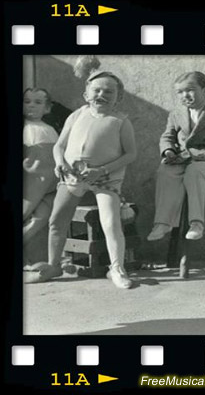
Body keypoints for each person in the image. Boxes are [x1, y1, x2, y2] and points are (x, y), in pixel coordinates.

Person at [27, 70, 137, 289]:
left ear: (119, 97)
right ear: (86, 94)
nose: (101, 94)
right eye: (96, 90)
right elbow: (60, 145)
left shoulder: (120, 121)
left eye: (109, 91)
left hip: (105, 179)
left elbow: (130, 154)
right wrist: (59, 162)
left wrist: (103, 170)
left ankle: (116, 268)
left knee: (110, 222)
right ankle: (54, 265)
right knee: (56, 221)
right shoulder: (77, 115)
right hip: (72, 176)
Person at [147, 71, 205, 242]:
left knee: (194, 172)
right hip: (184, 157)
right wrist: (168, 150)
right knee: (165, 171)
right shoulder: (176, 114)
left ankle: (197, 223)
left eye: (190, 90)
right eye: (180, 92)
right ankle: (163, 222)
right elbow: (167, 136)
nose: (185, 95)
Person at [23, 88, 59, 249]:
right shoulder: (25, 128)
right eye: (27, 102)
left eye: (38, 102)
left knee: (42, 216)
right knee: (25, 211)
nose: (31, 106)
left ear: (47, 108)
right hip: (32, 181)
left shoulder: (50, 129)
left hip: (51, 183)